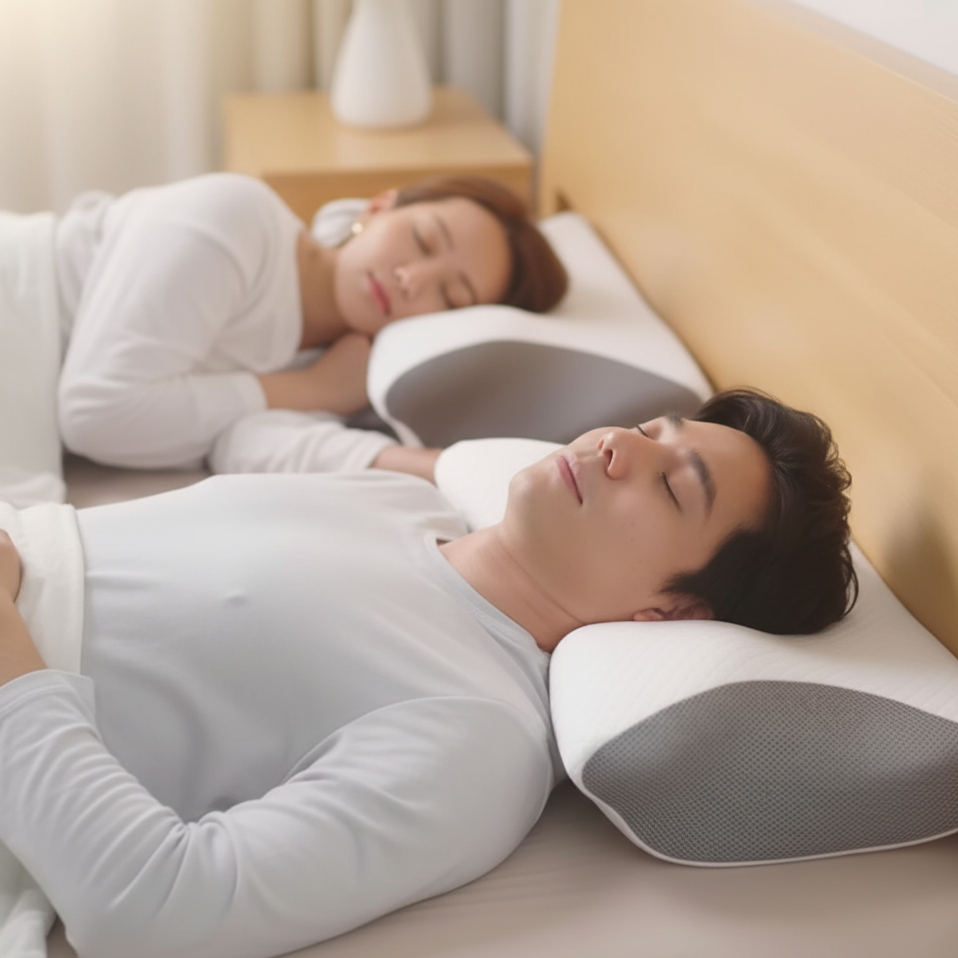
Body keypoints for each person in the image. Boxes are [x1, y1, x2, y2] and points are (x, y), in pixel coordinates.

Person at [0, 389, 855, 958]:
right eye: (647, 428)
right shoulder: (412, 505)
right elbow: (254, 435)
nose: (615, 448)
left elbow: (152, 908)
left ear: (670, 616)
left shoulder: (478, 738)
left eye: (672, 488)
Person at [54, 172, 568, 476]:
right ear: (378, 206)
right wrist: (311, 389)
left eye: (451, 297)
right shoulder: (235, 217)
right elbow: (94, 414)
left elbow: (252, 445)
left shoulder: (349, 367)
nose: (412, 278)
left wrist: (459, 470)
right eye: (423, 241)